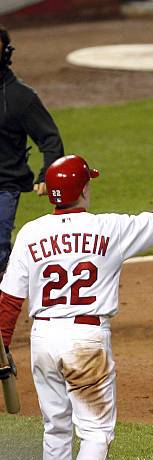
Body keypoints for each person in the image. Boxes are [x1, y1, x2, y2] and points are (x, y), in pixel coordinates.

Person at [0, 135, 153, 460]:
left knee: (56, 428)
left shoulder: (31, 233)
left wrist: (1, 347)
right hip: (85, 341)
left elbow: (10, 301)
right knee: (98, 433)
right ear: (83, 189)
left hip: (43, 340)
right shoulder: (107, 227)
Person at [0, 25, 64, 280]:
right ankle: (22, 275)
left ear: (6, 52)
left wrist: (46, 173)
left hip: (4, 184)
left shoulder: (21, 97)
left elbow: (49, 138)